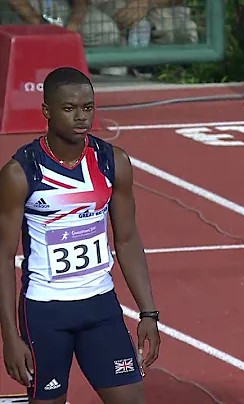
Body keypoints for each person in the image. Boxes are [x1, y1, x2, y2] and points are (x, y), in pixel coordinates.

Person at [0, 67, 160, 403]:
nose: (80, 117)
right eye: (69, 109)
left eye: (87, 108)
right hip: (45, 312)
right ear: (47, 111)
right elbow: (2, 258)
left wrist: (148, 312)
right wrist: (10, 337)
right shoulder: (20, 173)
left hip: (100, 307)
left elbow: (128, 239)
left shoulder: (112, 162)